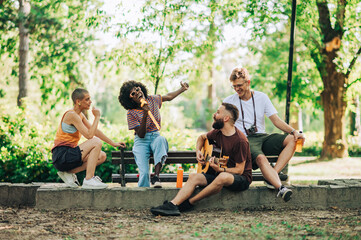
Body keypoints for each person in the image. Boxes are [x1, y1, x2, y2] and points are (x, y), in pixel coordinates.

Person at [150, 103, 252, 216]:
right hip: (219, 172)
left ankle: (189, 203)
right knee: (194, 177)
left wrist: (220, 170)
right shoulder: (218, 133)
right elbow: (201, 138)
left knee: (222, 177)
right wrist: (198, 151)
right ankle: (173, 205)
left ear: (226, 118)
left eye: (218, 112)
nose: (214, 114)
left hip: (241, 179)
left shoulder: (240, 141)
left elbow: (239, 170)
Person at [223, 67, 305, 202]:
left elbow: (276, 120)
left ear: (248, 82)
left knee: (292, 140)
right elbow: (221, 122)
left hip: (262, 136)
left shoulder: (262, 97)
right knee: (261, 159)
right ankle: (280, 188)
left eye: (239, 85)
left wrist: (294, 132)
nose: (237, 89)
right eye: (234, 86)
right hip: (244, 140)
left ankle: (271, 176)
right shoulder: (229, 101)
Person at [118, 80, 189, 187]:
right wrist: (145, 113)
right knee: (144, 173)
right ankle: (143, 194)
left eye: (137, 89)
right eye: (133, 93)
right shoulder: (131, 113)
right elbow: (141, 134)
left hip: (155, 136)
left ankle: (156, 177)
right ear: (129, 99)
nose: (137, 93)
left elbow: (168, 97)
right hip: (141, 141)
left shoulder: (152, 99)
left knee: (161, 140)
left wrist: (182, 89)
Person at [52, 88, 126, 189]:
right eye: (87, 99)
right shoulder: (72, 115)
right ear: (78, 101)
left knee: (102, 156)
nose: (90, 102)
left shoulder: (80, 115)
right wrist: (97, 117)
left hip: (68, 155)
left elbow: (94, 131)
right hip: (62, 155)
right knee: (96, 142)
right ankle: (89, 180)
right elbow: (89, 136)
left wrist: (113, 143)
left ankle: (68, 173)